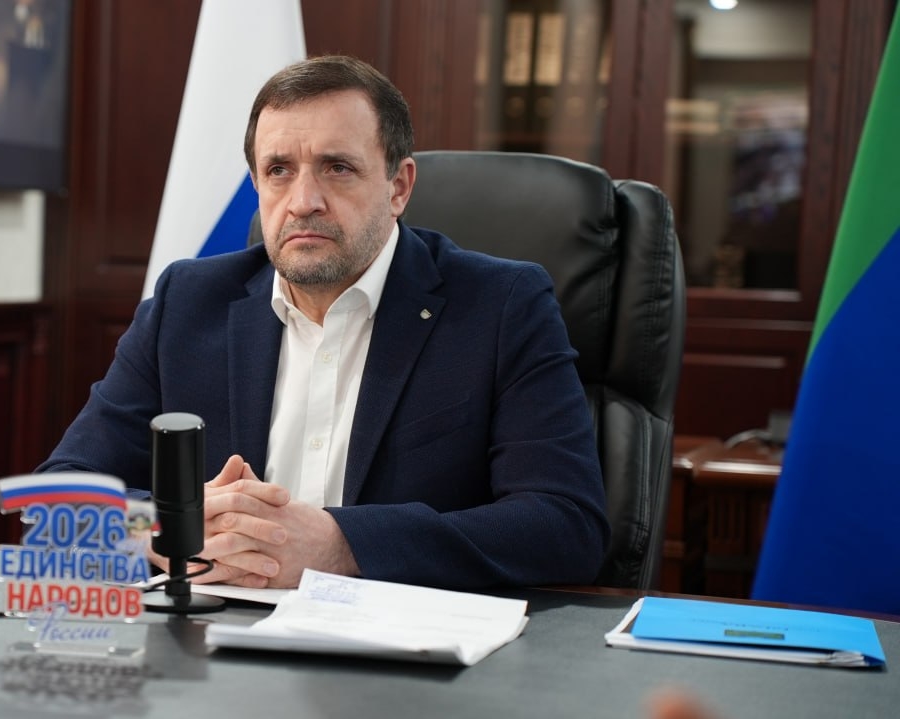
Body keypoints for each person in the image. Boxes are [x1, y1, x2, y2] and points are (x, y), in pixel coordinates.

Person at [41, 55, 609, 592]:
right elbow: (58, 500)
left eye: (337, 168)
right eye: (279, 171)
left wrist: (344, 545)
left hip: (397, 646)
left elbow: (565, 523)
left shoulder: (501, 305)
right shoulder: (187, 303)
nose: (302, 201)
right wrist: (162, 526)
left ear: (398, 187)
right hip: (214, 640)